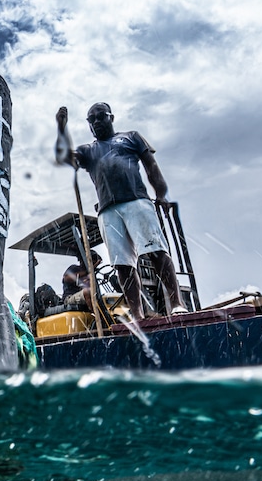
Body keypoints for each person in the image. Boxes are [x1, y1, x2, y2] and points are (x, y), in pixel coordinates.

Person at [56, 103, 185, 320]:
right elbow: (63, 156)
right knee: (122, 264)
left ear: (111, 117)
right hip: (108, 210)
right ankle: (137, 314)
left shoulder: (131, 137)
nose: (96, 121)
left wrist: (161, 194)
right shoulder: (88, 151)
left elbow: (151, 166)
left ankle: (177, 304)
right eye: (92, 119)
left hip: (136, 201)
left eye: (101, 117)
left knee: (156, 252)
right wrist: (61, 128)